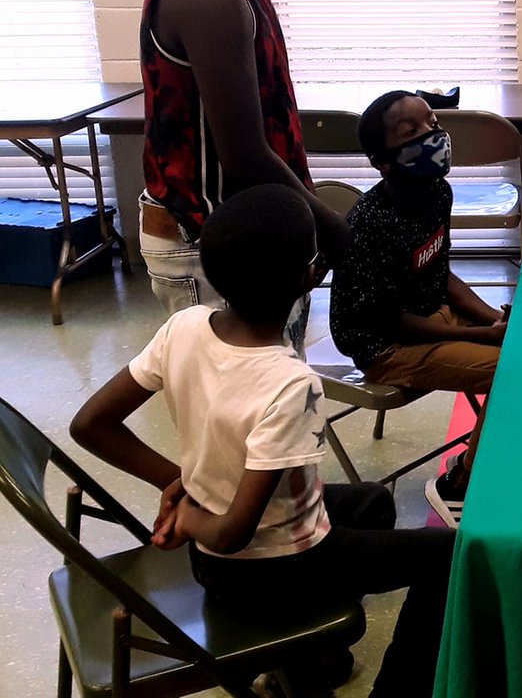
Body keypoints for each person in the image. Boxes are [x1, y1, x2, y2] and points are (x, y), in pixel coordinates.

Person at [71, 185, 453, 698]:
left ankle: (311, 661)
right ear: (310, 276)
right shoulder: (292, 384)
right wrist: (188, 516)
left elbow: (89, 424)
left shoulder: (183, 326)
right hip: (269, 570)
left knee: (373, 502)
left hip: (223, 558)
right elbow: (232, 533)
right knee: (450, 555)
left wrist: (177, 481)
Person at [137, 0, 347, 334]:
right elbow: (247, 157)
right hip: (211, 242)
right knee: (239, 386)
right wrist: (336, 232)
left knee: (268, 381)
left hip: (248, 234)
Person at [330, 91, 505, 527]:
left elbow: (440, 273)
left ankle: (496, 457)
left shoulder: (437, 192)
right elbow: (390, 322)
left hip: (428, 317)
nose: (432, 135)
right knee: (511, 372)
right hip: (386, 346)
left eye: (432, 123)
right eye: (412, 132)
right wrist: (481, 335)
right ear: (381, 161)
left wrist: (496, 320)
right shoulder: (372, 223)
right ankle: (458, 486)